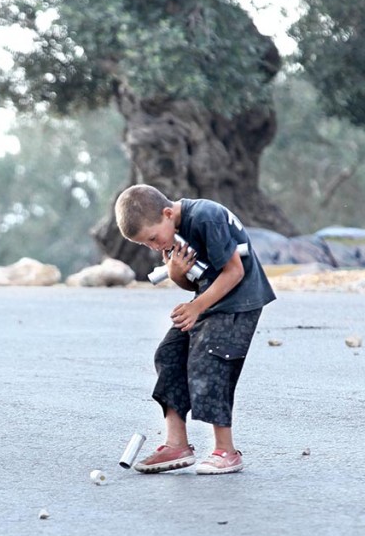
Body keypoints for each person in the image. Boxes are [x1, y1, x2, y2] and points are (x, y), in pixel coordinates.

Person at [114, 184, 276, 475]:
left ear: (167, 213)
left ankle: (226, 451)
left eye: (152, 238)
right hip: (210, 299)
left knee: (211, 359)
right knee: (169, 354)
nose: (153, 246)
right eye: (145, 245)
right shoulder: (170, 236)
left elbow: (235, 271)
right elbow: (196, 281)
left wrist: (196, 307)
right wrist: (177, 274)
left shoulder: (205, 217)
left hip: (241, 299)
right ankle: (177, 444)